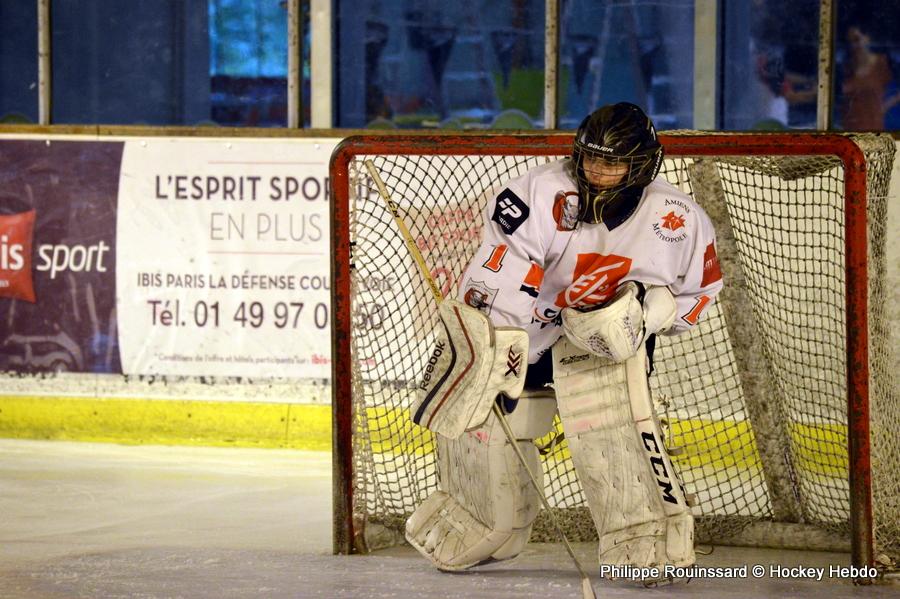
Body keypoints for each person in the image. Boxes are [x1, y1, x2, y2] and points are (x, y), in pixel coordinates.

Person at [405, 102, 724, 582]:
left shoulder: (678, 218)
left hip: (605, 342)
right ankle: (484, 525)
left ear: (643, 165)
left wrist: (650, 316)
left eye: (612, 162)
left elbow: (699, 294)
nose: (596, 171)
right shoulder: (537, 193)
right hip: (525, 329)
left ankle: (644, 540)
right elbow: (500, 272)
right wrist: (497, 347)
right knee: (490, 427)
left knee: (615, 435)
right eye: (589, 158)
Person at [840, 26, 893, 131]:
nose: (854, 45)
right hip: (849, 131)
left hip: (874, 130)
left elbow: (895, 91)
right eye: (850, 42)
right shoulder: (847, 67)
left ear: (867, 38)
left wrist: (883, 108)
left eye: (856, 39)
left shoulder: (882, 63)